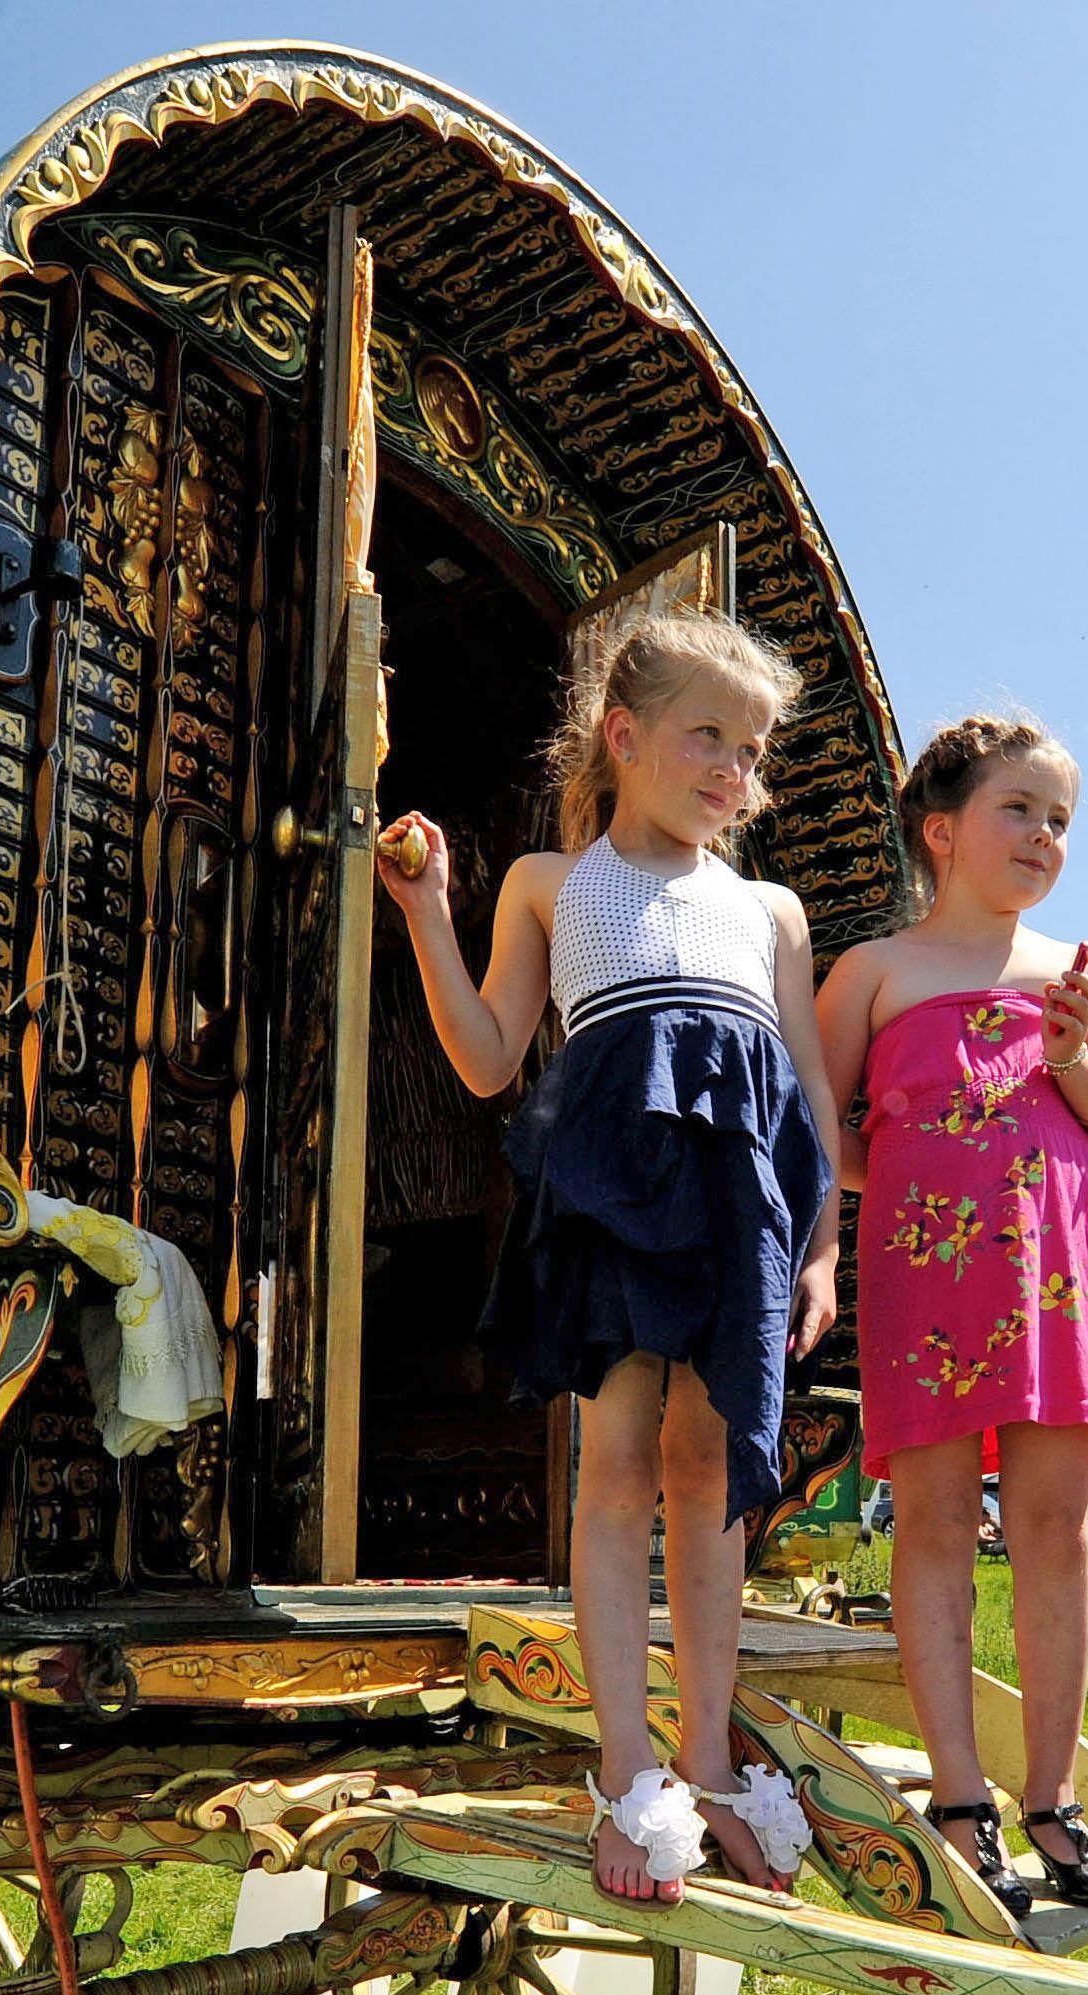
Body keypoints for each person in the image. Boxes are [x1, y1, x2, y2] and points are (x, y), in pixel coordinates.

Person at [378, 612, 835, 1904]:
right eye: (708, 737)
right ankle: (624, 1776)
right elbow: (485, 1057)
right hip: (613, 1197)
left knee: (712, 1471)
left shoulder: (770, 911)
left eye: (752, 752)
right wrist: (427, 911)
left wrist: (824, 1245)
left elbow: (804, 1086)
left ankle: (707, 1758)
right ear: (623, 738)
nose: (732, 772)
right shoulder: (548, 884)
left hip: (740, 1209)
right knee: (621, 1464)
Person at [815, 715, 1088, 1925]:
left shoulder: (1081, 976)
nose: (1045, 837)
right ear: (943, 828)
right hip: (927, 1275)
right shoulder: (871, 973)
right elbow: (826, 1141)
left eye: (1061, 819)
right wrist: (923, 1175)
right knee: (937, 1528)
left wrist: (1077, 1065)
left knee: (1058, 1530)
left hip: (1065, 1271)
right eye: (1022, 809)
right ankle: (961, 1800)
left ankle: (1053, 1797)